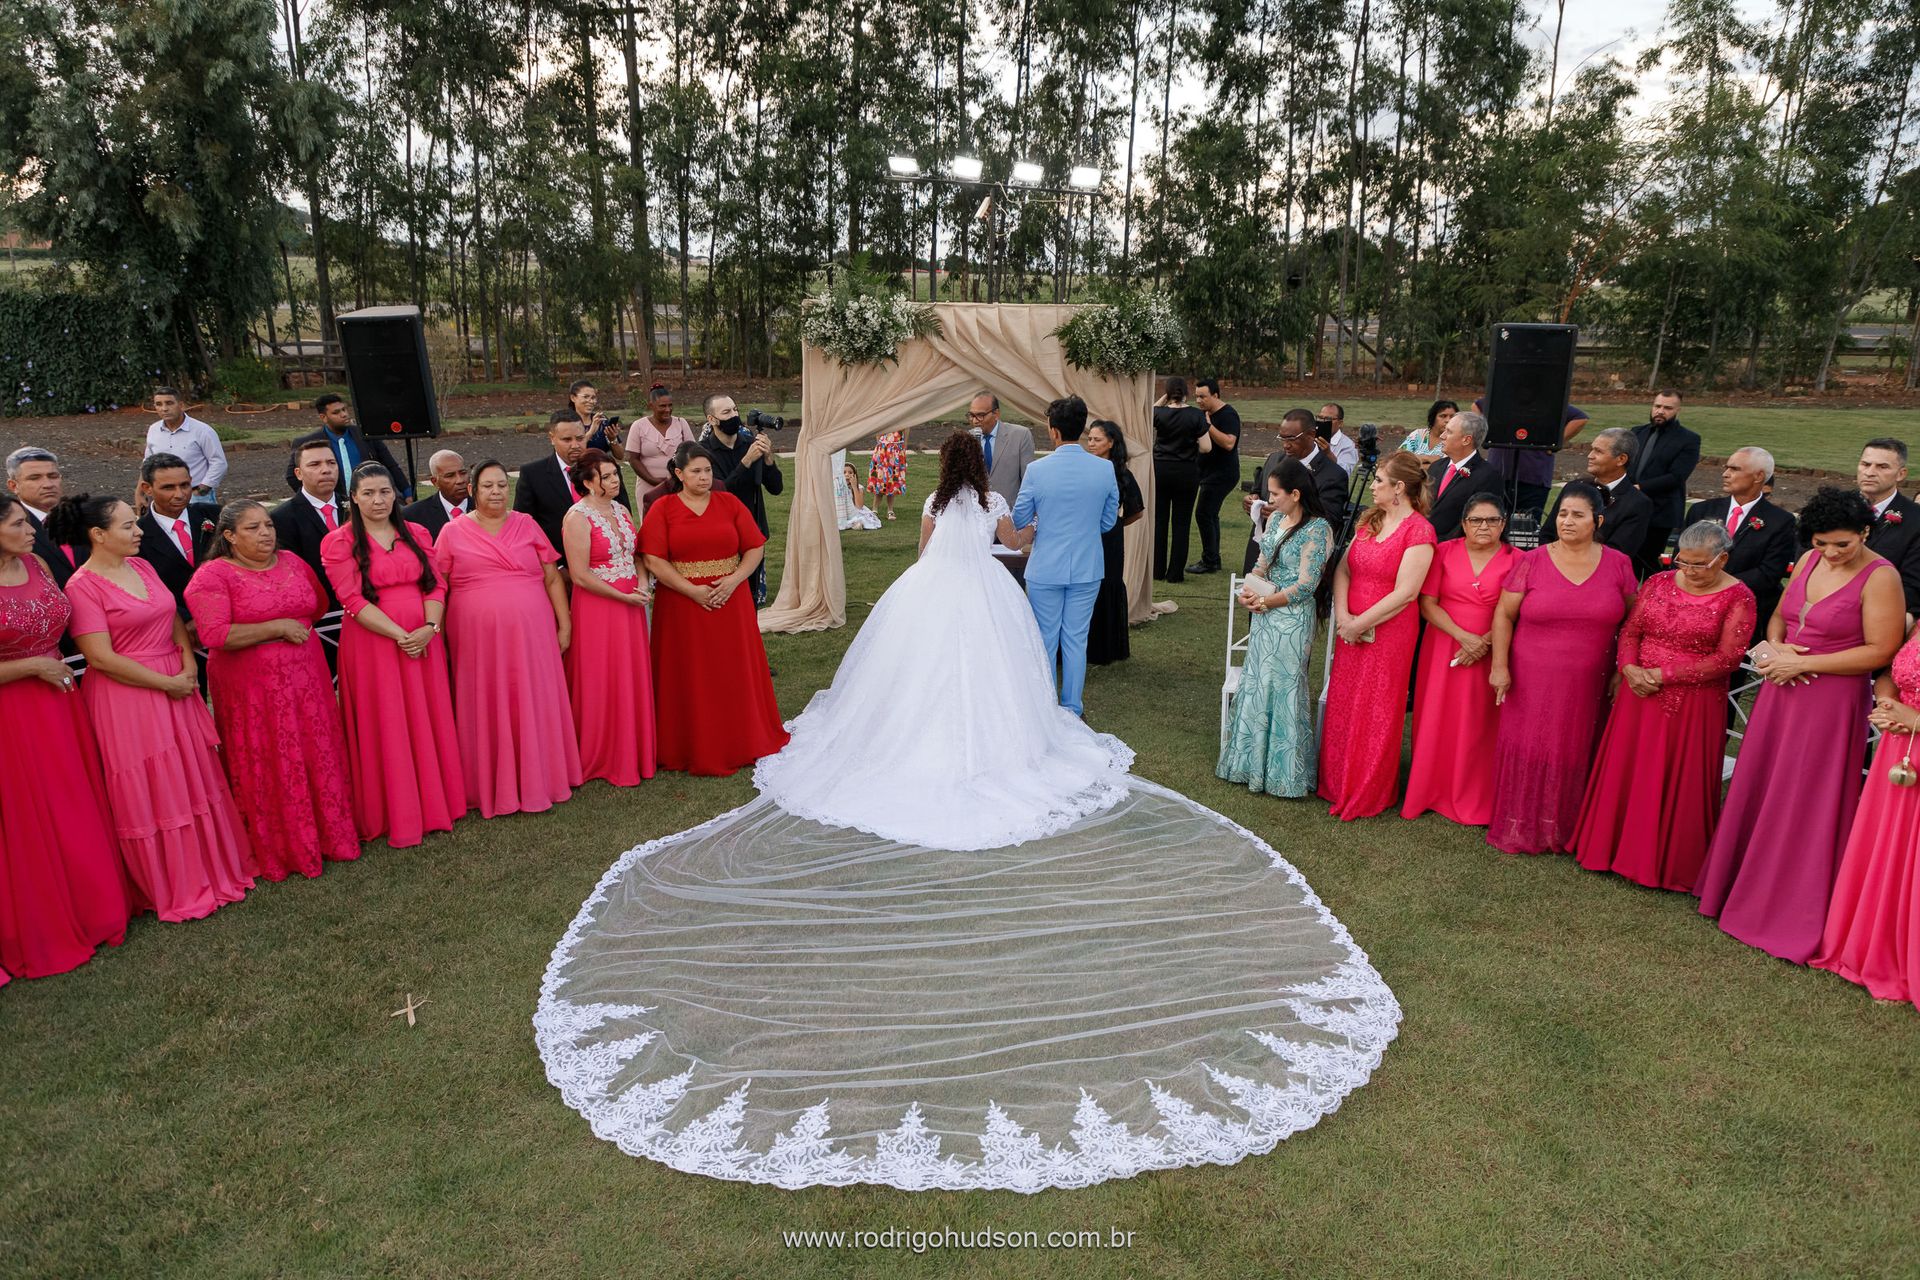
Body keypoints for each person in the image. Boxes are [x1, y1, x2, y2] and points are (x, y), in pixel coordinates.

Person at [754, 431, 1133, 851]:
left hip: (934, 583)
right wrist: (1035, 529)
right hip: (985, 585)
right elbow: (1011, 542)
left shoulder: (935, 500)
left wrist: (929, 575)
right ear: (978, 464)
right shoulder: (994, 503)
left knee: (918, 659)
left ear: (945, 463)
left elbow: (923, 551)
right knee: (994, 657)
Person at [1697, 487, 1904, 963]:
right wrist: (1776, 650)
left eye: (1841, 545)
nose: (1830, 553)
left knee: (1805, 798)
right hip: (1779, 692)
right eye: (1821, 543)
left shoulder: (1881, 577)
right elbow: (1778, 619)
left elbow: (1881, 651)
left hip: (1831, 703)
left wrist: (1807, 664)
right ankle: (1737, 886)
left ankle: (1787, 908)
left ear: (1865, 533)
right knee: (1763, 785)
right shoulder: (1809, 561)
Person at [55, 494, 255, 920]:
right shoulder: (82, 586)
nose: (139, 531)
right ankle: (175, 884)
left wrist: (186, 667)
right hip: (129, 696)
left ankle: (214, 867)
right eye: (128, 525)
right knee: (155, 786)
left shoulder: (142, 566)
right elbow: (101, 658)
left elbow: (172, 621)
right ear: (98, 535)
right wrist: (167, 683)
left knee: (192, 774)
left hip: (175, 679)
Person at [1570, 523, 1756, 890]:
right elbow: (1631, 630)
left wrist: (1665, 674)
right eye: (1682, 562)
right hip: (1637, 693)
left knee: (1674, 775)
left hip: (1691, 702)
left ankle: (1663, 861)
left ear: (1723, 559)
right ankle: (1608, 848)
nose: (1687, 571)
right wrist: (1628, 668)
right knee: (1628, 768)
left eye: (1699, 565)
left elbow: (1728, 659)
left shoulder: (1740, 597)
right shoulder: (1658, 582)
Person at [184, 501, 358, 880]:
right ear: (228, 536)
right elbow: (215, 635)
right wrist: (277, 628)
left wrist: (291, 630)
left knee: (316, 749)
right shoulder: (212, 576)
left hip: (307, 678)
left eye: (267, 525)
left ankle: (331, 835)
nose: (265, 533)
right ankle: (281, 848)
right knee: (270, 755)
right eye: (252, 528)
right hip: (251, 689)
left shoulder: (293, 561)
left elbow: (318, 604)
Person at [0, 493, 132, 978]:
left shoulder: (36, 563)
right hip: (12, 715)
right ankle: (43, 923)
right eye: (18, 522)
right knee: (27, 814)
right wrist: (30, 665)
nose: (31, 528)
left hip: (61, 705)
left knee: (73, 803)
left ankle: (93, 909)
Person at [1484, 482, 1639, 855]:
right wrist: (1500, 667)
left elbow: (1633, 621)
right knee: (1530, 746)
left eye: (1578, 515)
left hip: (1590, 680)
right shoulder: (1532, 561)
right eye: (1563, 513)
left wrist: (1622, 667)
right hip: (1530, 677)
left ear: (1597, 520)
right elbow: (1504, 614)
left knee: (1576, 747)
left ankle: (1569, 827)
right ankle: (1520, 824)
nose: (1567, 521)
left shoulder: (1619, 563)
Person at [321, 463, 468, 848]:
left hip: (424, 639)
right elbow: (350, 599)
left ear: (395, 494)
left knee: (427, 714)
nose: (378, 500)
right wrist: (403, 636)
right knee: (386, 721)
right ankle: (397, 810)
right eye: (368, 493)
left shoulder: (416, 533)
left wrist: (429, 629)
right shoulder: (339, 542)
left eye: (384, 492)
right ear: (353, 497)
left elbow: (436, 585)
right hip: (375, 644)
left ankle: (438, 803)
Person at [435, 459, 580, 819]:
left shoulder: (527, 524)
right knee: (486, 700)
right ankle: (489, 783)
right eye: (487, 486)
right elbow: (437, 587)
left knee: (533, 696)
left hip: (533, 633)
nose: (496, 491)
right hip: (476, 640)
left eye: (502, 485)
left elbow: (551, 578)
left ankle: (542, 777)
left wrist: (565, 625)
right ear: (472, 490)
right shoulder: (452, 532)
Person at [639, 442, 788, 776]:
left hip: (729, 601)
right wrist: (692, 590)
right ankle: (688, 743)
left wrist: (734, 581)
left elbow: (755, 547)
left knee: (732, 669)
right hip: (681, 604)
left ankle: (743, 737)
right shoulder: (662, 508)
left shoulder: (729, 502)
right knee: (689, 672)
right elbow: (653, 559)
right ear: (679, 474)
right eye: (696, 471)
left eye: (707, 471)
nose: (704, 477)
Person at [1317, 451, 1437, 820]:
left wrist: (1360, 622)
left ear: (1399, 487)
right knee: (1345, 699)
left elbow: (1407, 593)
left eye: (1379, 480)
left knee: (1376, 706)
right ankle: (1335, 782)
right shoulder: (1370, 521)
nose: (1372, 486)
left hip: (1389, 631)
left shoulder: (1420, 531)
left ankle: (1367, 788)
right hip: (1350, 625)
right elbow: (1343, 570)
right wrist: (1344, 616)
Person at [1814, 618, 1920, 1009]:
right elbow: (1893, 673)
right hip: (1899, 749)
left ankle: (1903, 960)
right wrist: (1888, 702)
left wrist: (1916, 721)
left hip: (1911, 737)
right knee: (1886, 847)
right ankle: (1871, 946)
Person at [1401, 492, 1521, 824]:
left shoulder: (1518, 559)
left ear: (1503, 523)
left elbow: (1516, 611)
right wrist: (1464, 637)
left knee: (1479, 723)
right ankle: (1430, 789)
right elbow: (1427, 603)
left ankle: (1475, 795)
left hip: (1492, 649)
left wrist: (1484, 642)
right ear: (1464, 523)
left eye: (1492, 520)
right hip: (1443, 646)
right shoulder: (1443, 551)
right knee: (1437, 715)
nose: (1484, 526)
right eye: (1476, 520)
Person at [1218, 458, 1334, 798]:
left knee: (1283, 689)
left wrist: (1266, 602)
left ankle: (1285, 774)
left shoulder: (1318, 530)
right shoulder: (1278, 519)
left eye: (1275, 494)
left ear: (1295, 494)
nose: (1269, 500)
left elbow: (1305, 586)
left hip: (1292, 618)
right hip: (1265, 613)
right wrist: (1249, 593)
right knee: (1256, 685)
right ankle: (1248, 765)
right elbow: (1261, 563)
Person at [1013, 397, 1120, 718]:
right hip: (1087, 565)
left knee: (1044, 637)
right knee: (1076, 639)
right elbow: (1108, 520)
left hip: (1046, 565)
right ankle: (1072, 707)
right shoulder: (1104, 469)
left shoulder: (1037, 470)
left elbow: (1019, 517)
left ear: (1054, 431)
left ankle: (1045, 704)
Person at [563, 450, 657, 787]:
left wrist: (643, 583)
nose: (615, 480)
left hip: (632, 601)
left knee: (630, 672)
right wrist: (622, 596)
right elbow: (580, 574)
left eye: (615, 473)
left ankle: (635, 748)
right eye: (606, 476)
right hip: (599, 607)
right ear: (588, 482)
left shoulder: (621, 509)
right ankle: (602, 753)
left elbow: (637, 555)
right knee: (602, 674)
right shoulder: (577, 517)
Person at [1685, 447, 1796, 646]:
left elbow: (1769, 573)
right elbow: (1681, 557)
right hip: (1693, 607)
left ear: (1758, 476)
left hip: (1743, 613)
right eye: (1726, 468)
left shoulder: (1780, 521)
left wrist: (1717, 585)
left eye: (1734, 469)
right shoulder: (1701, 511)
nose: (1725, 474)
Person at [703, 393, 784, 605]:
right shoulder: (704, 452)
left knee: (751, 597)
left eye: (735, 410)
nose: (734, 416)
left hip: (752, 530)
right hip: (721, 532)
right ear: (712, 419)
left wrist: (768, 460)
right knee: (726, 596)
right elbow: (719, 493)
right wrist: (746, 461)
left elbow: (776, 488)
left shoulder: (749, 442)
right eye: (726, 412)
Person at [1243, 409, 1348, 571]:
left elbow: (1330, 520)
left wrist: (1285, 515)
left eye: (1292, 439)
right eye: (1282, 438)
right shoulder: (1274, 460)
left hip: (1297, 564)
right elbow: (1258, 490)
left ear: (1311, 434)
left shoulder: (1333, 475)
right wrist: (1251, 501)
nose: (1286, 445)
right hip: (1260, 554)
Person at [1082, 421, 1147, 666]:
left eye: (1097, 440)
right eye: (1090, 439)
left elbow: (1136, 510)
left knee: (1108, 583)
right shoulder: (1086, 469)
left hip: (1109, 537)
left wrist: (1114, 525)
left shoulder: (1121, 473)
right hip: (1086, 534)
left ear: (1111, 442)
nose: (1091, 444)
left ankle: (1107, 647)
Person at [1540, 428, 1652, 563]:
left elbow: (1619, 553)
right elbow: (1548, 533)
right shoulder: (1573, 488)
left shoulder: (1637, 503)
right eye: (1592, 449)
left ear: (1621, 459)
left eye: (1598, 451)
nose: (1590, 455)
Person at [1626, 389, 1702, 578]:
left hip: (1660, 512)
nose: (1660, 411)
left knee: (1651, 565)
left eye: (1667, 408)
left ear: (1678, 410)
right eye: (1657, 406)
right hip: (1631, 509)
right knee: (1628, 562)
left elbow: (1677, 476)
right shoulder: (1637, 432)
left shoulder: (1688, 439)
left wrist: (1640, 488)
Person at [517, 413, 610, 566]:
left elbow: (622, 514)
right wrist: (556, 568)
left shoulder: (604, 469)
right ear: (552, 438)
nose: (575, 445)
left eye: (580, 438)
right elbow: (525, 527)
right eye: (567, 440)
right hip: (559, 567)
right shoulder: (533, 474)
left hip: (606, 564)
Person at [1478, 397, 1589, 520]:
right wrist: (1489, 434)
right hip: (1498, 474)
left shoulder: (1547, 401)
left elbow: (1580, 418)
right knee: (1491, 521)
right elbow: (1477, 406)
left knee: (1526, 528)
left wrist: (1555, 442)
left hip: (1534, 477)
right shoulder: (1503, 397)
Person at [272, 439, 350, 614]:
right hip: (318, 610)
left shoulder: (357, 507)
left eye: (331, 463)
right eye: (315, 464)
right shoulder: (281, 518)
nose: (326, 470)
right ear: (298, 473)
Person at [134, 452, 211, 621]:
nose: (180, 494)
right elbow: (147, 590)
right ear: (147, 488)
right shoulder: (137, 537)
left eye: (185, 485)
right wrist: (186, 621)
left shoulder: (213, 516)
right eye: (168, 487)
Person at [284, 393, 410, 497]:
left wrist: (407, 493)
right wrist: (314, 499)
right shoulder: (307, 443)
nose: (344, 414)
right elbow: (292, 477)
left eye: (344, 409)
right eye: (336, 412)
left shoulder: (366, 435)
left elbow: (391, 466)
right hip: (335, 505)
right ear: (323, 417)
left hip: (371, 499)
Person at [1150, 376, 1210, 583]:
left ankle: (1157, 571)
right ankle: (1175, 574)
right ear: (1186, 392)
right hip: (1186, 472)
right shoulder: (1195, 415)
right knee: (1181, 524)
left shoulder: (1160, 413)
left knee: (1159, 522)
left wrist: (1163, 399)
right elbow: (1206, 447)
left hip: (1160, 470)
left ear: (1167, 393)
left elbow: (1149, 411)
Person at [1423, 410, 1507, 541]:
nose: (1442, 436)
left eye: (1449, 432)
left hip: (1455, 548)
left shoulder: (1487, 476)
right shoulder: (1436, 467)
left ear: (1466, 440)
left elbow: (1480, 520)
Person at [1859, 438, 1920, 618]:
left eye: (1882, 467)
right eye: (1865, 464)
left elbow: (1913, 587)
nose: (1870, 472)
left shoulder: (1916, 520)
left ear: (1901, 474)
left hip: (1880, 616)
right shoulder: (1831, 508)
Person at [7, 446, 80, 587]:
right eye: (35, 478)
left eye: (53, 476)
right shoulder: (8, 529)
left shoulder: (83, 517)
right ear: (13, 485)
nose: (48, 484)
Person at [1190, 378, 1242, 575]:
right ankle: (1212, 558)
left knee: (1204, 513)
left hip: (1223, 474)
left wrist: (1207, 426)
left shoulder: (1228, 414)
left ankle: (1210, 560)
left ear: (1215, 395)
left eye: (1203, 396)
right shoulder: (1205, 414)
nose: (1199, 400)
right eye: (1196, 396)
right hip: (1206, 472)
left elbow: (1229, 443)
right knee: (1209, 514)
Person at [624, 383, 697, 512]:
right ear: (651, 406)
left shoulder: (681, 423)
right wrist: (653, 480)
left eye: (670, 405)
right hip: (648, 486)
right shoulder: (639, 426)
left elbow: (692, 453)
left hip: (679, 486)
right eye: (662, 406)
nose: (667, 409)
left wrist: (680, 480)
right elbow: (633, 459)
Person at [144, 386, 228, 499]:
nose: (164, 408)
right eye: (159, 404)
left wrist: (202, 490)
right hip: (164, 497)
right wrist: (141, 492)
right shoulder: (154, 430)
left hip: (196, 495)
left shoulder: (202, 431)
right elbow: (148, 464)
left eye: (169, 403)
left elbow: (218, 462)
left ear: (181, 405)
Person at [968, 392, 1036, 510]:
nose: (975, 421)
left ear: (996, 414)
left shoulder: (1020, 436)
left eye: (980, 415)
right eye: (972, 415)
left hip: (1010, 515)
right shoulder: (967, 440)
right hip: (976, 516)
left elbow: (1028, 483)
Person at [400, 449, 471, 541]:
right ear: (435, 482)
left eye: (463, 473)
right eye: (450, 476)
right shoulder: (412, 515)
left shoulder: (485, 507)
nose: (460, 480)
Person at [866, 425, 909, 520]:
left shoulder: (902, 419)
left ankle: (890, 510)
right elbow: (878, 432)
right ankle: (874, 509)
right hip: (883, 451)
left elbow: (906, 430)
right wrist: (881, 447)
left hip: (896, 452)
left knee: (892, 480)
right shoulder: (886, 417)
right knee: (879, 479)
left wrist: (904, 447)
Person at [835, 461, 883, 531]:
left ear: (855, 476)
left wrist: (854, 487)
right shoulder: (838, 488)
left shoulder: (859, 488)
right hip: (842, 510)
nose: (847, 475)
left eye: (850, 473)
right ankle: (852, 523)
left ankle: (855, 523)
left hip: (855, 510)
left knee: (860, 518)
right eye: (844, 472)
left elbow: (859, 506)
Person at [1317, 402, 1359, 474]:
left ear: (1340, 423)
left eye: (1328, 419)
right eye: (1320, 418)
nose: (1323, 422)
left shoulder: (1348, 445)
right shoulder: (1311, 438)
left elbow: (1345, 472)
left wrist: (1328, 454)